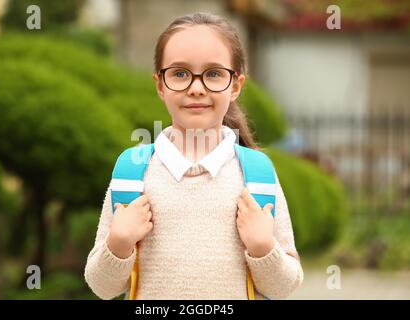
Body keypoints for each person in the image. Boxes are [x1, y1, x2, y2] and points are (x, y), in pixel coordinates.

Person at [84, 12, 303, 300]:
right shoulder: (133, 172)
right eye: (179, 74)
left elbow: (285, 287)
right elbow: (102, 287)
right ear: (160, 85)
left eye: (213, 74)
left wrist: (263, 248)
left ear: (235, 85)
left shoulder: (257, 174)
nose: (196, 88)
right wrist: (119, 243)